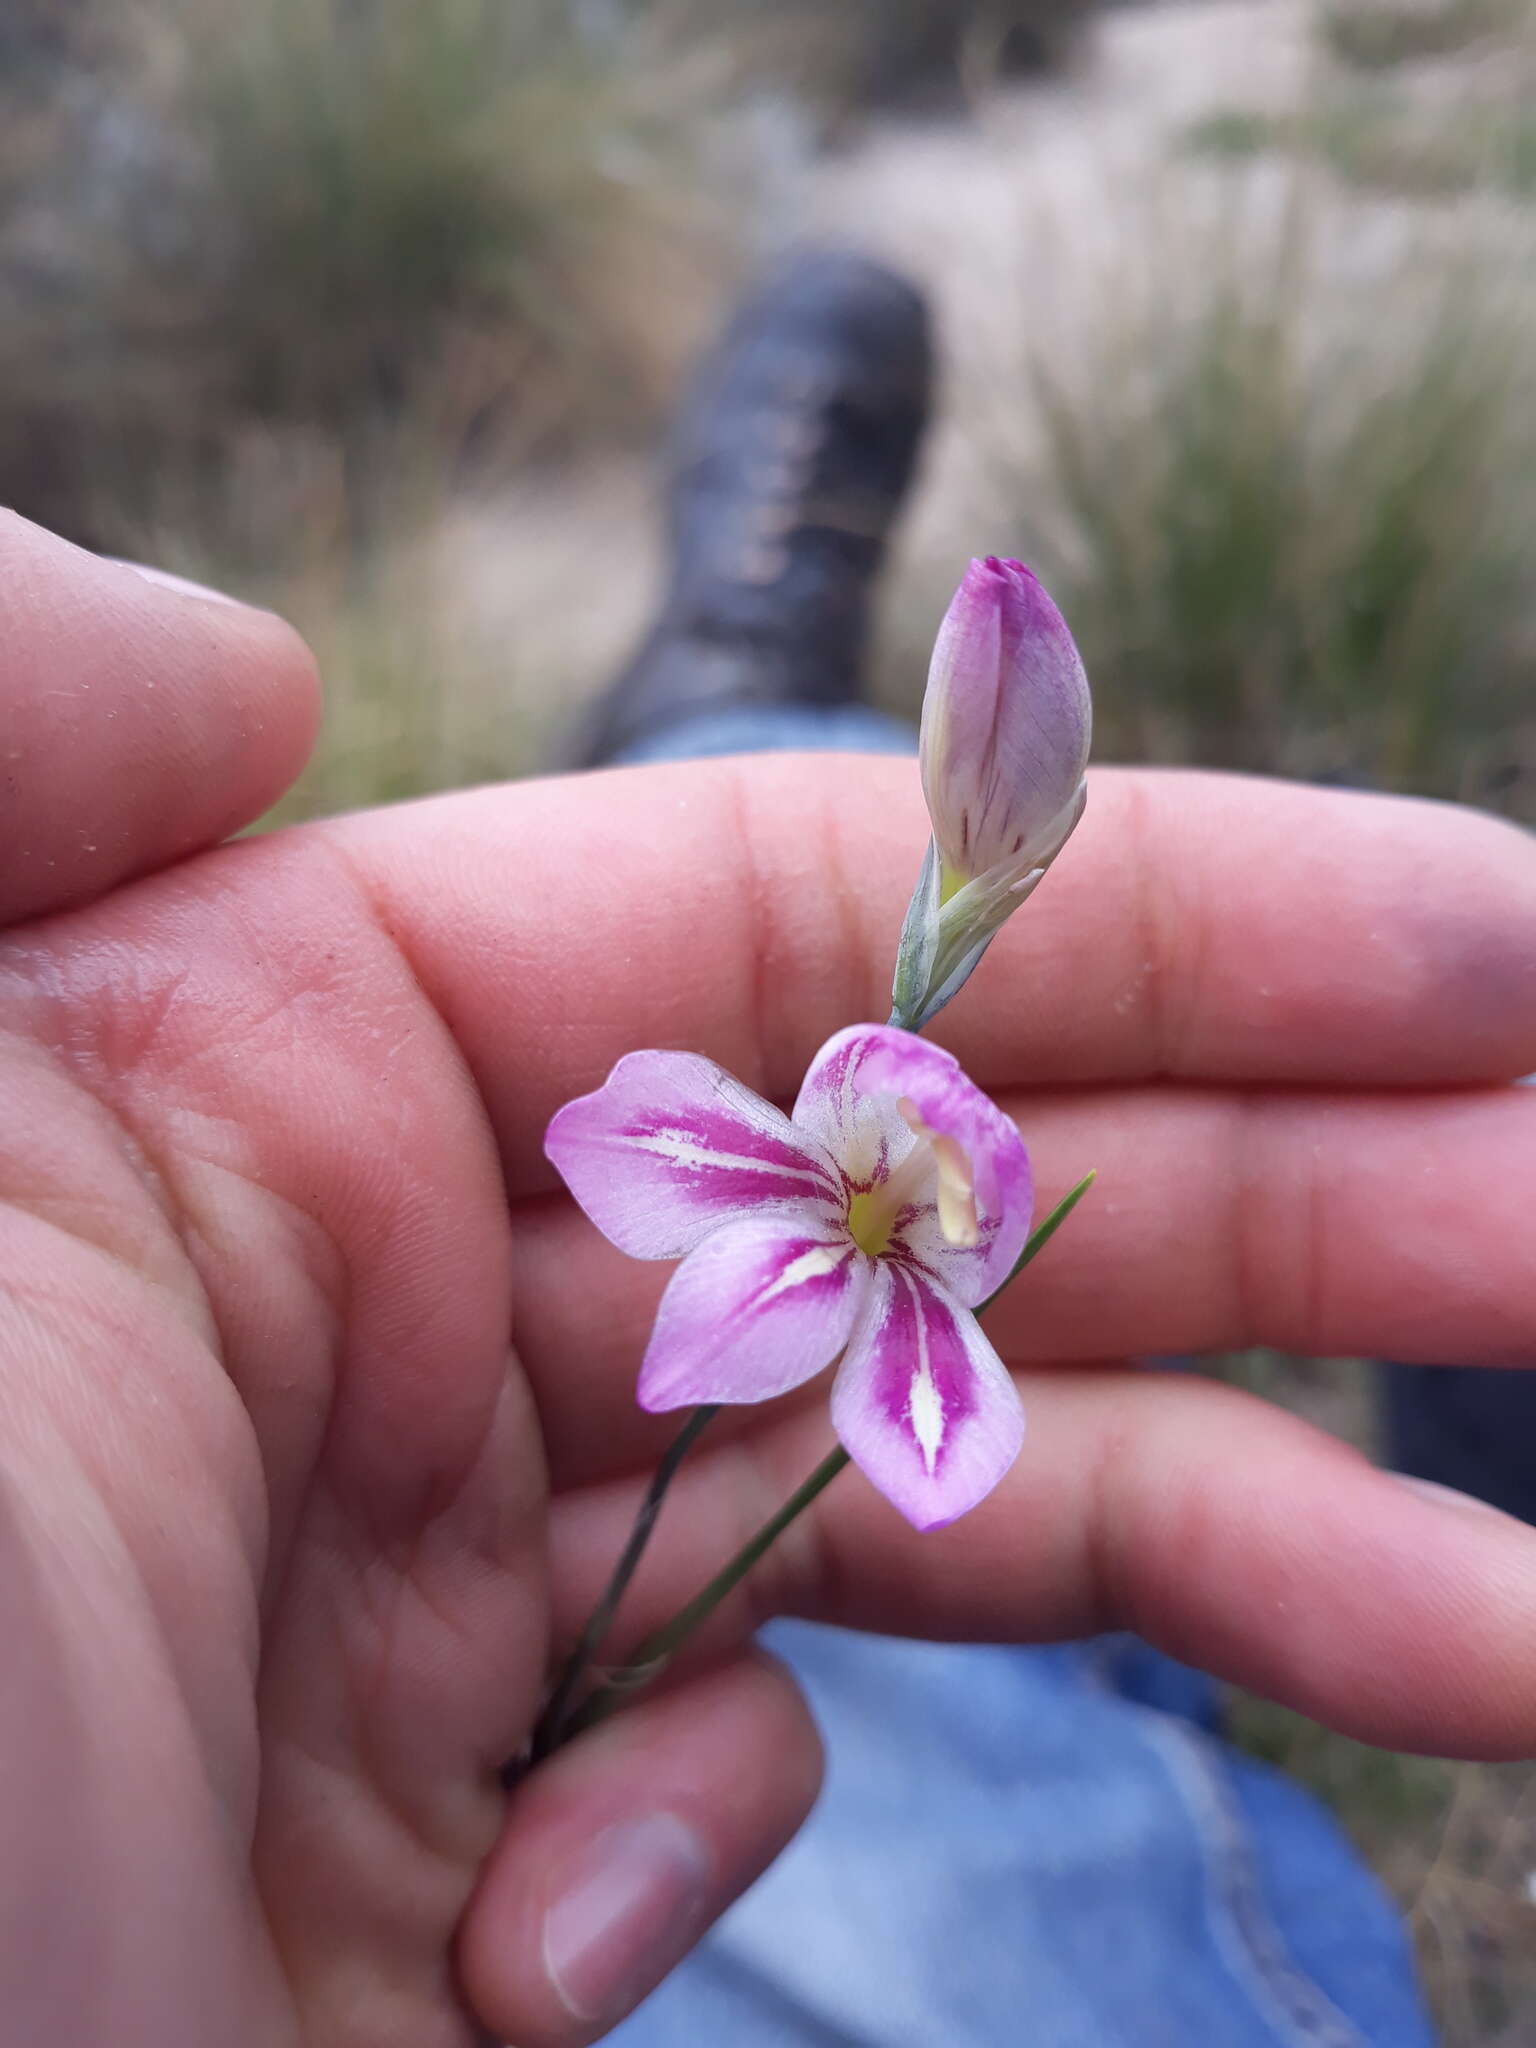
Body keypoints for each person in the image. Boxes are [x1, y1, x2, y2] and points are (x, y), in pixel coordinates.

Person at [1, 265, 1534, 2048]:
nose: (898, 1178)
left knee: (912, 1703)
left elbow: (862, 1196)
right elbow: (772, 1188)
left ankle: (729, 692)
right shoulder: (862, 1236)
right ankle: (744, 697)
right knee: (988, 1698)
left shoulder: (881, 1252)